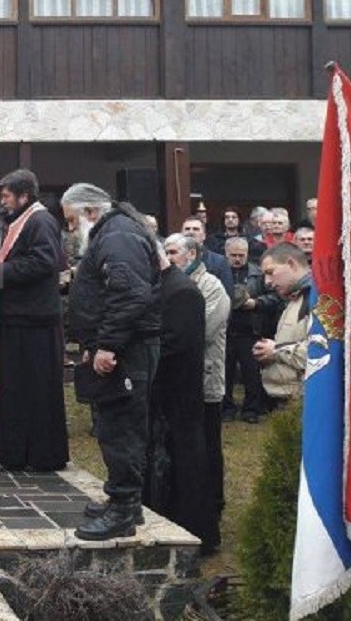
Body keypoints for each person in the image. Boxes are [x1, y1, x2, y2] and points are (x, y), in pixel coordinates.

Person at [62, 183, 161, 541]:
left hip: (127, 351)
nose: (71, 231)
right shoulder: (114, 232)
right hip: (121, 347)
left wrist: (107, 344)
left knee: (122, 428)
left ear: (90, 212)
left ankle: (124, 506)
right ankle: (123, 500)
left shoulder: (117, 236)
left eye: (72, 221)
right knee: (113, 425)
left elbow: (131, 294)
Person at [0, 169, 68, 472]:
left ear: (25, 196)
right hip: (19, 319)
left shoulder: (40, 221)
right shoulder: (20, 221)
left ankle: (39, 453)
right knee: (16, 389)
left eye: (6, 197)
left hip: (34, 321)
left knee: (35, 391)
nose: (3, 203)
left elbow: (44, 262)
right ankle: (15, 449)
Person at [146, 241, 215, 551]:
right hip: (166, 393)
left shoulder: (183, 291)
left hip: (181, 395)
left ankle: (194, 528)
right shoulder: (165, 286)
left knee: (187, 465)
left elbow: (178, 344)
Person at [163, 232, 229, 550]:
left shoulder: (210, 286)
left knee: (208, 443)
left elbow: (201, 330)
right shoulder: (171, 285)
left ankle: (213, 503)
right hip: (180, 383)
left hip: (205, 377)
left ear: (192, 254)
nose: (169, 256)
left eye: (173, 251)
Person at [222, 237, 279, 422]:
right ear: (226, 254)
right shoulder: (218, 272)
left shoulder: (259, 274)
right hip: (225, 329)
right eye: (233, 255)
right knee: (225, 372)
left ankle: (251, 409)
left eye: (241, 255)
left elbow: (275, 297)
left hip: (250, 330)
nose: (237, 259)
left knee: (251, 373)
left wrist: (256, 303)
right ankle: (226, 408)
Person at [253, 242, 312, 406]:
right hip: (290, 398)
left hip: (306, 401)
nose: (267, 282)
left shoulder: (315, 298)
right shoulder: (295, 298)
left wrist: (276, 350)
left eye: (271, 272)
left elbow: (322, 351)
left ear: (291, 263)